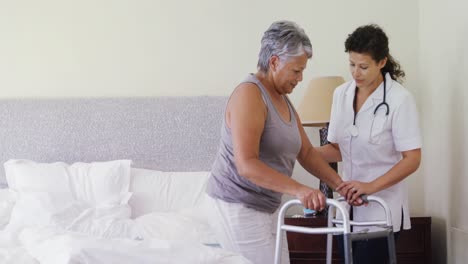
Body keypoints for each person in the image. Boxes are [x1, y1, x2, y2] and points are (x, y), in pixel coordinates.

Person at [205, 20, 347, 264]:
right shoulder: (249, 94)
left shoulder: (283, 99)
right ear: (274, 62)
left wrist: (341, 186)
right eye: (296, 70)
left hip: (268, 207)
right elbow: (246, 164)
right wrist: (299, 189)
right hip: (238, 205)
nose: (301, 78)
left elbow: (306, 153)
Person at [318, 24, 422, 263]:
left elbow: (413, 159)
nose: (356, 73)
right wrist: (301, 151)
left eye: (363, 66)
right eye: (352, 65)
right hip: (348, 207)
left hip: (382, 206)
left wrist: (370, 186)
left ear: (382, 62)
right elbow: (336, 149)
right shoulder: (340, 94)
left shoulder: (399, 99)